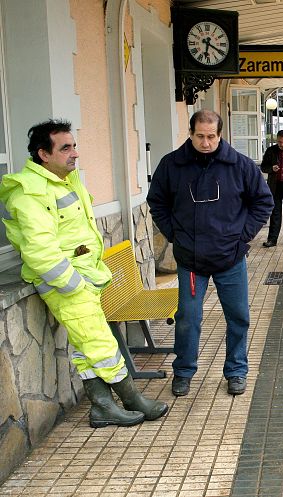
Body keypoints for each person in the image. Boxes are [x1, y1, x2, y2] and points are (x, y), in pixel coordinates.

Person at [0, 119, 168, 428]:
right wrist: (73, 284)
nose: (74, 153)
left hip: (86, 277)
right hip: (68, 285)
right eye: (65, 148)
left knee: (85, 345)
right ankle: (132, 398)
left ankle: (102, 406)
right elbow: (40, 249)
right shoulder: (29, 192)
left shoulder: (66, 179)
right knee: (101, 344)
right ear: (43, 154)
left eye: (74, 145)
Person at [147, 110, 273, 397]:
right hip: (191, 260)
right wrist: (175, 235)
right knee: (188, 318)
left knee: (238, 316)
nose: (205, 142)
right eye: (200, 136)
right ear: (190, 133)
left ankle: (236, 371)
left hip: (230, 257)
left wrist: (243, 238)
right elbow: (157, 202)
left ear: (220, 135)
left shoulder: (240, 166)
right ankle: (183, 371)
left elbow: (263, 202)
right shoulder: (172, 165)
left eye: (211, 137)